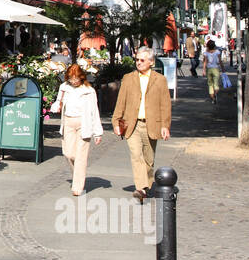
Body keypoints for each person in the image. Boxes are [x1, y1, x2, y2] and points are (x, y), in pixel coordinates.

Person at [111, 46, 172, 202]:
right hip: (132, 124)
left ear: (151, 62)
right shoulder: (128, 78)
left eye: (142, 60)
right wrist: (116, 121)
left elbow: (165, 105)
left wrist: (165, 126)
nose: (138, 63)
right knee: (136, 155)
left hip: (152, 124)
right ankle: (140, 188)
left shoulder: (160, 80)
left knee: (148, 160)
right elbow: (121, 102)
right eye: (137, 60)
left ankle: (146, 184)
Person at [51, 64, 104, 196]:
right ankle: (78, 175)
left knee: (81, 157)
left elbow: (94, 111)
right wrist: (56, 106)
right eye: (70, 78)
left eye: (75, 78)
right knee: (68, 153)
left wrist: (97, 132)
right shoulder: (64, 87)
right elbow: (59, 101)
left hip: (83, 124)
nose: (73, 81)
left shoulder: (89, 91)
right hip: (68, 122)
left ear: (81, 77)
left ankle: (78, 186)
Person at [203, 40, 224, 104]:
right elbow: (220, 61)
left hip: (209, 69)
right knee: (216, 84)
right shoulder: (217, 52)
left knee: (210, 84)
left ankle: (212, 98)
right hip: (216, 69)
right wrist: (223, 68)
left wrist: (203, 70)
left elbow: (205, 62)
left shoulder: (206, 53)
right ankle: (215, 93)